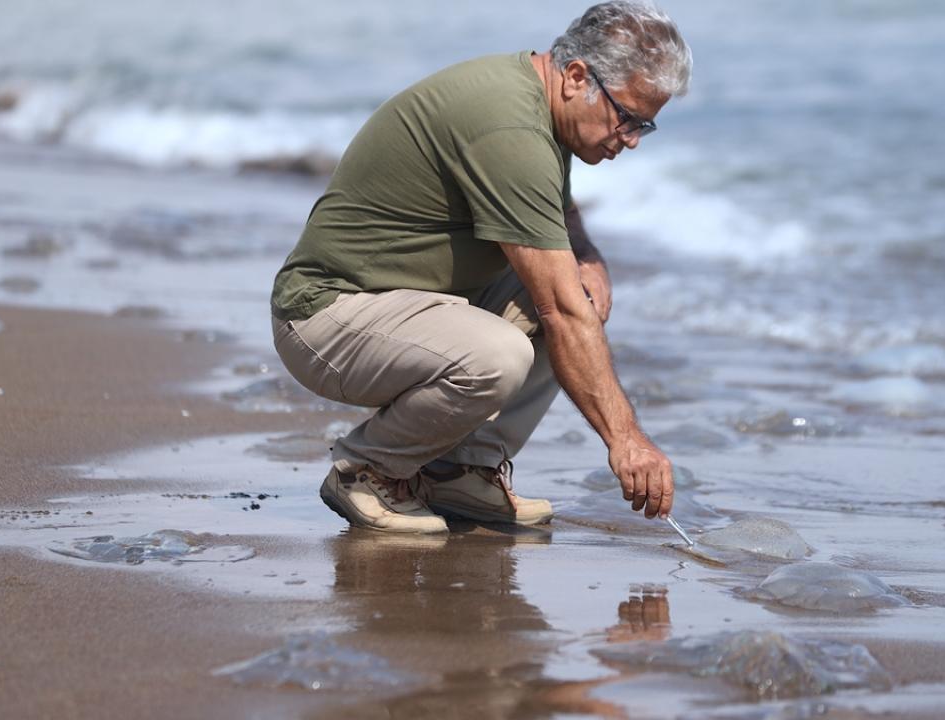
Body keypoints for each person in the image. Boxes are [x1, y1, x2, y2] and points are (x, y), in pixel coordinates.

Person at [270, 1, 692, 533]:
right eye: (627, 119)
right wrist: (626, 442)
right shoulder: (507, 124)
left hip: (404, 304)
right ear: (577, 76)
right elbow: (560, 310)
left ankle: (458, 470)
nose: (630, 140)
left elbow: (555, 206)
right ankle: (366, 469)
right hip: (325, 316)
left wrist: (587, 255)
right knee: (506, 349)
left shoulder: (539, 105)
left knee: (574, 291)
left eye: (645, 127)